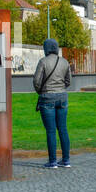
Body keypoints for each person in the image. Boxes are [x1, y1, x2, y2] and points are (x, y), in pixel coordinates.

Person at [33, 38, 72, 168]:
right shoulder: (64, 62)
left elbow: (36, 81)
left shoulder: (43, 62)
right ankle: (66, 160)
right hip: (62, 97)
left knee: (50, 131)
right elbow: (68, 81)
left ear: (46, 48)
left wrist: (41, 91)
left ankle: (52, 161)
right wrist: (60, 88)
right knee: (63, 129)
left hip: (47, 97)